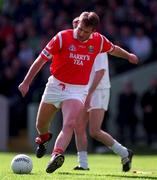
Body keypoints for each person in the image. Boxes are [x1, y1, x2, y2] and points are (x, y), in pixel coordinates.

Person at [18, 11, 138, 173]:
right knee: (41, 125)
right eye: (79, 29)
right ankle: (44, 138)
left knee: (70, 123)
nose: (80, 33)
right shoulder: (61, 37)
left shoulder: (98, 41)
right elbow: (41, 59)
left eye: (85, 31)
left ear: (93, 31)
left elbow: (114, 49)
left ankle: (57, 154)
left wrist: (128, 55)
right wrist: (26, 82)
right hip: (55, 85)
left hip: (77, 89)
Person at [74, 52, 133, 172]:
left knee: (94, 131)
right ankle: (83, 164)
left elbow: (100, 72)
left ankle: (125, 153)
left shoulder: (100, 46)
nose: (81, 33)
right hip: (84, 90)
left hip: (99, 91)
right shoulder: (80, 44)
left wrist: (90, 93)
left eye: (86, 31)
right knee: (78, 126)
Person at [116, 80, 139, 144]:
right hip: (122, 116)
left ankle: (133, 143)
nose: (127, 88)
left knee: (132, 130)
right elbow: (119, 107)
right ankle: (121, 143)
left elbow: (134, 106)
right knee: (121, 131)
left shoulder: (134, 95)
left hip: (132, 116)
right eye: (126, 87)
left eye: (129, 87)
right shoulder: (121, 95)